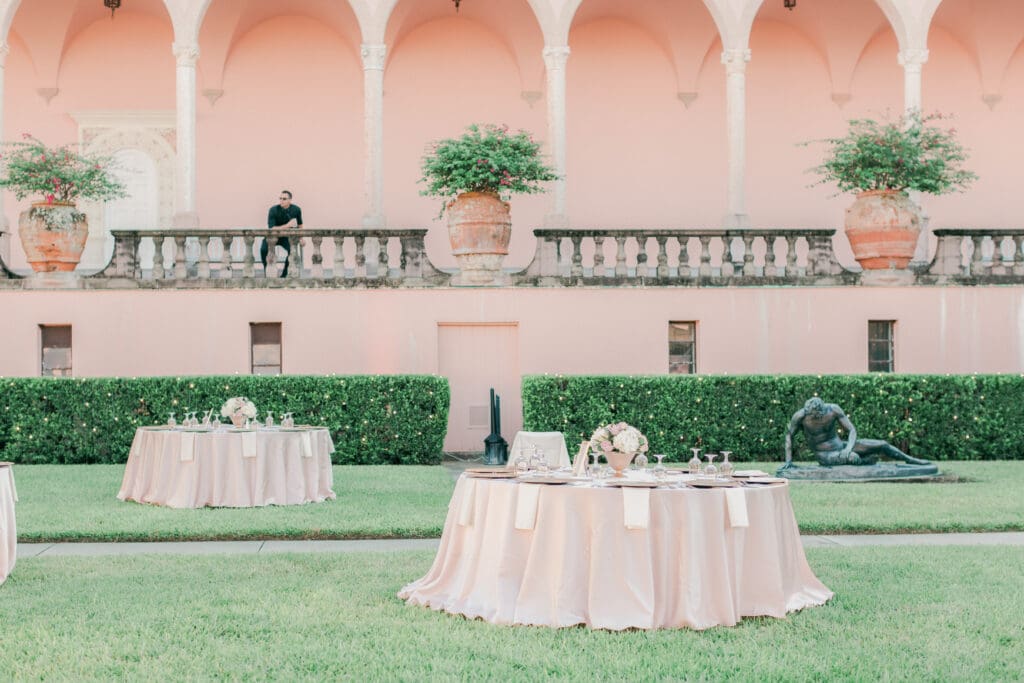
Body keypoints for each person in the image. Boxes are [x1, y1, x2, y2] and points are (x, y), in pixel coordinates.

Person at [782, 397, 931, 469]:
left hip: (842, 446)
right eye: (811, 416)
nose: (814, 418)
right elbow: (789, 435)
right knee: (853, 457)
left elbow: (852, 430)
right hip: (825, 455)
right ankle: (866, 461)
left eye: (817, 415)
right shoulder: (800, 416)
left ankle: (910, 460)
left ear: (822, 410)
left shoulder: (833, 409)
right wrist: (788, 461)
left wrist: (847, 449)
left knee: (883, 444)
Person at [261, 190, 302, 277]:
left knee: (292, 251)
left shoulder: (296, 209)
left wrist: (301, 238)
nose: (281, 201)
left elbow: (300, 225)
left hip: (285, 237)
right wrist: (288, 225)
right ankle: (267, 270)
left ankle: (284, 275)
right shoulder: (273, 210)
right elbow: (272, 228)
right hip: (272, 236)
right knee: (263, 249)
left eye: (284, 199)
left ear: (290, 200)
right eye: (280, 198)